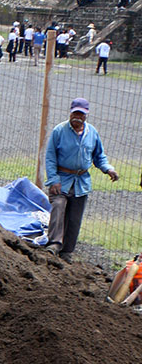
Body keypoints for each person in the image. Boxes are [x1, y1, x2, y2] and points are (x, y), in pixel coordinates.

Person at [43, 97, 118, 261]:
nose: (77, 117)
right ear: (70, 113)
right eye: (75, 113)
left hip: (81, 182)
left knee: (75, 218)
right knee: (58, 207)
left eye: (81, 114)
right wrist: (53, 179)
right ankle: (54, 245)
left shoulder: (92, 133)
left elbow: (99, 157)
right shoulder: (59, 131)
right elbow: (50, 158)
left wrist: (108, 169)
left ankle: (67, 251)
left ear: (86, 115)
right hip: (61, 180)